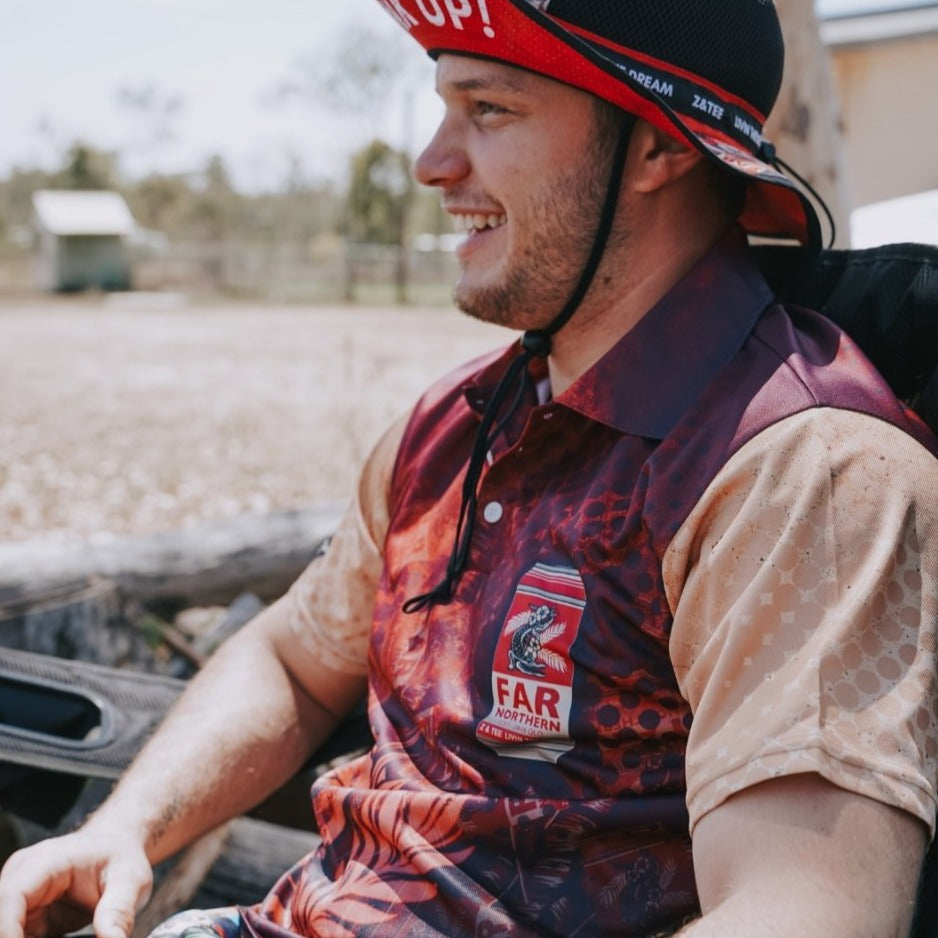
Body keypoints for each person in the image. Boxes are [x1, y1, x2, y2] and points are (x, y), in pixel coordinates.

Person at [2, 1, 938, 935]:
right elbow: (292, 656)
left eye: (488, 110)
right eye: (444, 108)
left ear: (658, 147)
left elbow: (810, 912)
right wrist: (126, 828)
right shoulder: (454, 426)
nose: (431, 163)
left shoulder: (800, 473)